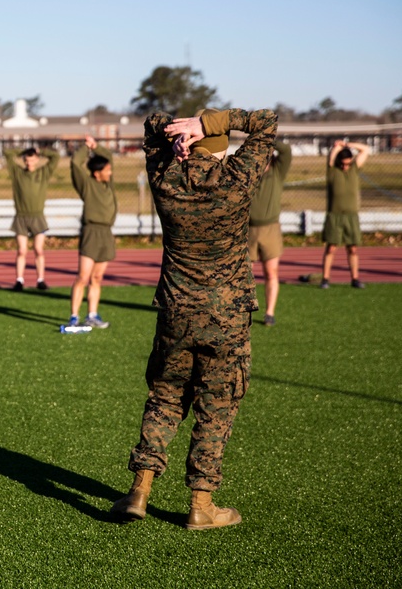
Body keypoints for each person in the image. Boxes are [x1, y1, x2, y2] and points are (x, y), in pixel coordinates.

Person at [111, 108, 278, 530]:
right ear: (220, 152)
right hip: (227, 317)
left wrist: (177, 135)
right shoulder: (236, 182)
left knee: (165, 397)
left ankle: (140, 491)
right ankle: (202, 504)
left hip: (176, 313)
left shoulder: (165, 182)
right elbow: (266, 121)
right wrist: (209, 122)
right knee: (216, 406)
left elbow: (152, 124)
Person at [67, 135, 116, 329]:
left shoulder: (108, 185)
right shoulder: (87, 185)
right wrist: (86, 149)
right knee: (83, 277)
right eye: (106, 170)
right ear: (97, 173)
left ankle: (92, 315)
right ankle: (73, 317)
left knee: (97, 278)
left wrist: (97, 147)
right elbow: (75, 163)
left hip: (106, 233)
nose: (110, 172)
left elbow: (109, 158)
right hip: (91, 233)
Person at [4, 145, 60, 291]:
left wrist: (40, 151)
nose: (30, 163)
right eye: (27, 160)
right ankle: (19, 280)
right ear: (24, 160)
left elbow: (56, 157)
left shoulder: (43, 173)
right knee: (22, 250)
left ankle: (40, 279)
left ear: (37, 160)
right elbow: (8, 153)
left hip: (37, 217)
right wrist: (23, 150)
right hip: (21, 217)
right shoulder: (17, 173)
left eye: (32, 160)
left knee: (38, 249)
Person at [248, 141, 292, 326]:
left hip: (270, 229)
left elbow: (286, 150)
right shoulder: (248, 173)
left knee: (271, 272)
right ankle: (246, 311)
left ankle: (269, 313)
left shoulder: (277, 171)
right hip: (247, 230)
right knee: (245, 275)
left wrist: (265, 139)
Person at [320, 140, 371, 289]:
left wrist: (349, 144)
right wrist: (337, 146)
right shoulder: (332, 171)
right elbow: (331, 157)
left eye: (347, 163)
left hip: (351, 216)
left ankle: (355, 278)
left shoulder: (354, 168)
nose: (345, 166)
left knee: (353, 248)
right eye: (343, 163)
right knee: (331, 247)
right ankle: (325, 279)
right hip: (334, 216)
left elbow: (365, 150)